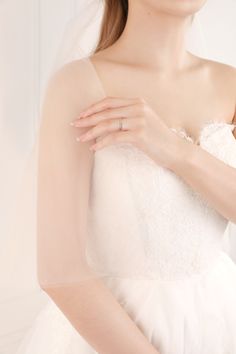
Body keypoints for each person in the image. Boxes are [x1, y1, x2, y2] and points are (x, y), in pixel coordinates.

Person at [16, 1, 236, 354]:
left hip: (220, 319)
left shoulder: (231, 83)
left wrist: (174, 150)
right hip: (114, 333)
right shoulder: (78, 85)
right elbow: (60, 273)